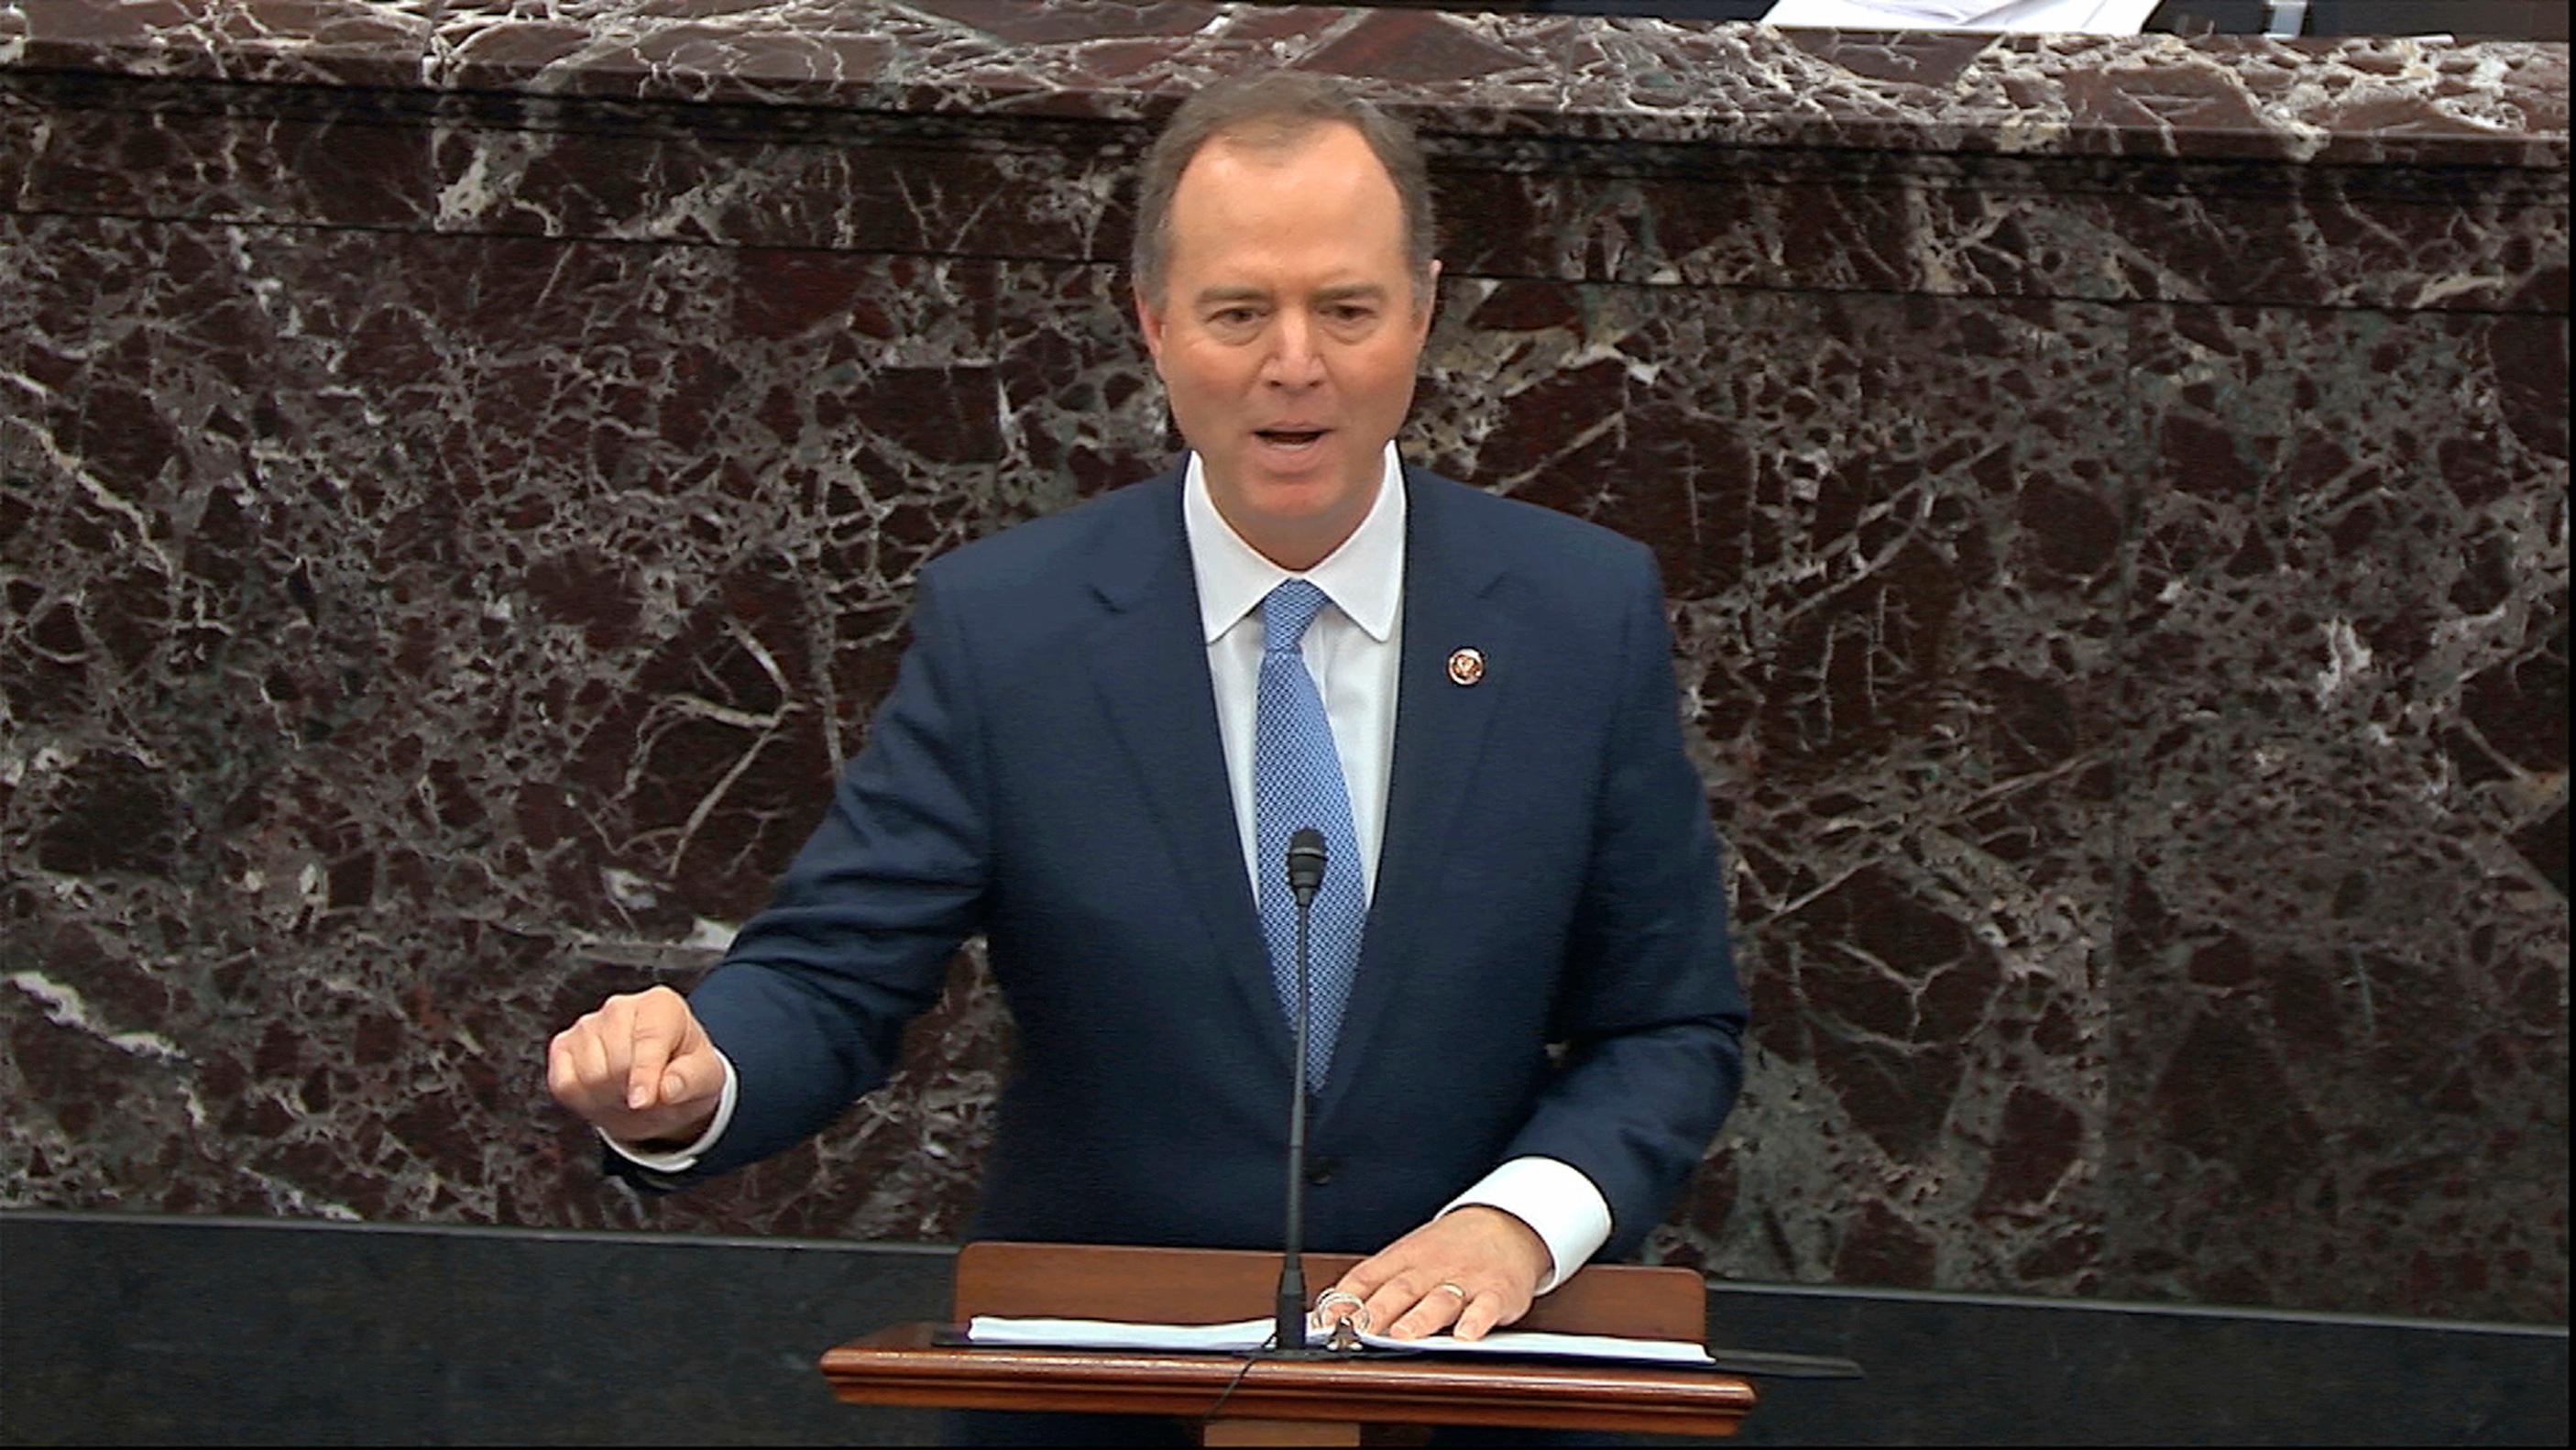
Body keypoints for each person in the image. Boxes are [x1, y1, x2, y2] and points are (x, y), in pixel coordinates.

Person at [547, 69, 1743, 1379]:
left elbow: (1667, 1024)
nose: (1297, 365)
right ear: (1154, 321)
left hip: (1475, 1385)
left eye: (1346, 309)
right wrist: (694, 1074)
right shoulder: (1013, 627)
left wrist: (1515, 1225)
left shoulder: (1578, 614)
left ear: (1424, 309)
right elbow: (834, 973)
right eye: (1240, 312)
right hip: (1098, 1386)